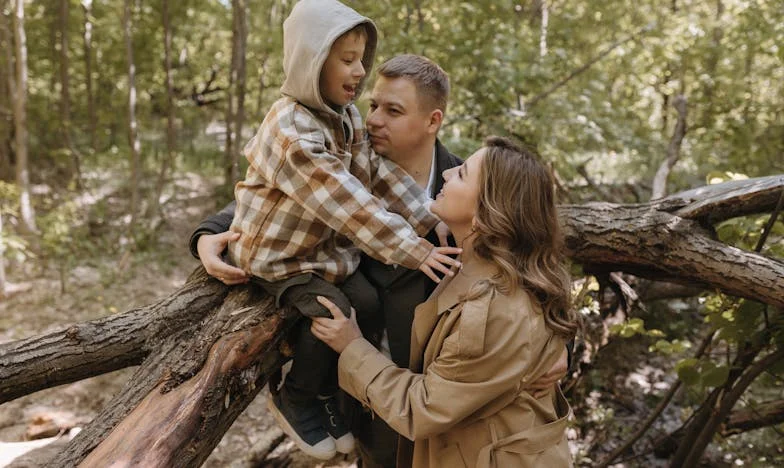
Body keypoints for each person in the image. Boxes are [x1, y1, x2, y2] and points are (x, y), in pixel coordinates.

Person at [190, 55, 568, 467]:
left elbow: (535, 263)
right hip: (365, 399)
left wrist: (557, 341)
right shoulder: (347, 159)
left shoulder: (474, 191)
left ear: (432, 120)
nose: (373, 121)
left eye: (393, 110)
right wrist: (209, 233)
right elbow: (279, 190)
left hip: (448, 416)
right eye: (373, 106)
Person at [225, 1, 460, 460]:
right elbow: (349, 204)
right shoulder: (293, 131)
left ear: (433, 121)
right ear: (311, 61)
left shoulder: (346, 118)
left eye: (361, 60)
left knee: (365, 303)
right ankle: (297, 396)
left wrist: (431, 216)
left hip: (326, 256)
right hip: (280, 259)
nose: (358, 72)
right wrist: (415, 249)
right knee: (334, 309)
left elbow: (375, 175)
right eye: (346, 60)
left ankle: (331, 393)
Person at [312, 136, 578, 468]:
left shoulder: (493, 307)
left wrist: (351, 345)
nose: (449, 175)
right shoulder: (491, 261)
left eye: (463, 174)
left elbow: (423, 408)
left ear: (484, 216)